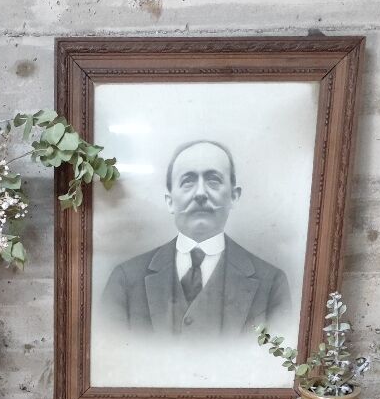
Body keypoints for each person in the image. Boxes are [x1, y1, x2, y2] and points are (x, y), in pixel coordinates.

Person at [101, 139, 291, 338]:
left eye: (213, 180)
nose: (200, 193)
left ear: (234, 196)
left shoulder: (271, 284)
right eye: (188, 181)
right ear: (170, 201)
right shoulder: (125, 280)